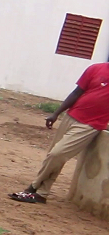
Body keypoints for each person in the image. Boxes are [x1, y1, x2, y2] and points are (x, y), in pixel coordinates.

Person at [9, 63, 109, 204]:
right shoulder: (96, 68)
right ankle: (42, 194)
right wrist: (56, 114)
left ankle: (32, 188)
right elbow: (77, 92)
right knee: (54, 158)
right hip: (71, 116)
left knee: (57, 154)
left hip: (90, 126)